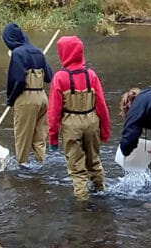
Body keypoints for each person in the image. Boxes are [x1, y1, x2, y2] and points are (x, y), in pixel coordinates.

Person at [47, 36, 111, 200]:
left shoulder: (60, 78)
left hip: (71, 125)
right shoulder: (92, 75)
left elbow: (53, 112)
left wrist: (53, 138)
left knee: (77, 168)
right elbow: (102, 106)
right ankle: (101, 192)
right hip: (92, 122)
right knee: (95, 162)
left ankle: (82, 204)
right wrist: (105, 131)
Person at [2, 22, 53, 166]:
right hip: (43, 98)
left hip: (27, 99)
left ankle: (22, 168)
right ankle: (41, 164)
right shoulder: (38, 52)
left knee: (23, 138)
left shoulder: (17, 53)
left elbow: (17, 80)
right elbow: (49, 77)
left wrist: (10, 100)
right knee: (40, 138)